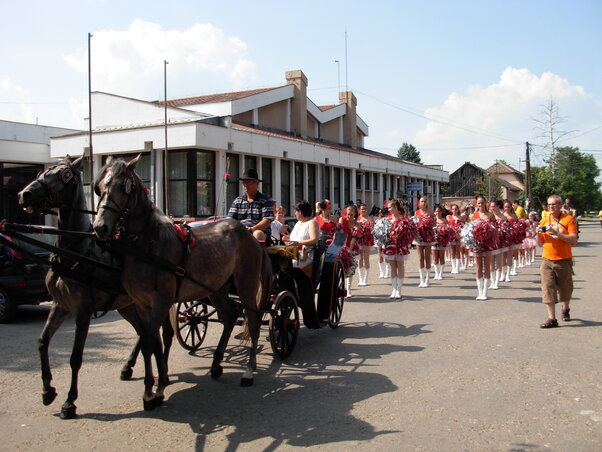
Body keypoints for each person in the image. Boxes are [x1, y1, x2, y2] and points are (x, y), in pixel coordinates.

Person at [536, 194, 578, 328]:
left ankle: (565, 308)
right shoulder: (544, 220)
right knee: (547, 288)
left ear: (560, 205)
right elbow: (540, 243)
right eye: (549, 205)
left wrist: (558, 234)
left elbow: (574, 239)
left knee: (565, 288)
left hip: (563, 259)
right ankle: (552, 318)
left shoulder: (569, 219)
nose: (551, 207)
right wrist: (537, 233)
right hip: (547, 258)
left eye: (553, 204)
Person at [227, 168, 273, 241]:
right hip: (240, 234)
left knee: (257, 233)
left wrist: (251, 230)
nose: (245, 185)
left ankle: (259, 252)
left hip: (259, 234)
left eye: (248, 182)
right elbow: (230, 221)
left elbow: (267, 221)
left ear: (257, 183)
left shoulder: (265, 200)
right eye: (244, 182)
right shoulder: (237, 201)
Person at [283, 200, 320, 275]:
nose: (295, 213)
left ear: (300, 212)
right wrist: (288, 239)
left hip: (306, 256)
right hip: (294, 255)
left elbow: (314, 240)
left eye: (296, 211)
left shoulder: (312, 222)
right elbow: (293, 239)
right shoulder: (298, 223)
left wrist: (298, 243)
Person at [414, 195, 435, 288]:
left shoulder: (430, 212)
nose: (424, 203)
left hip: (428, 236)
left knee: (427, 257)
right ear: (419, 203)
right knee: (420, 257)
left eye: (425, 201)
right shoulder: (417, 212)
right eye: (422, 201)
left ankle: (427, 279)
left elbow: (434, 224)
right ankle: (421, 279)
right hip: (419, 237)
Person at [356, 204, 375, 286]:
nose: (363, 210)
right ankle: (361, 278)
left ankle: (365, 279)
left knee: (366, 259)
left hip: (367, 241)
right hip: (358, 240)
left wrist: (366, 231)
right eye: (362, 209)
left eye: (365, 209)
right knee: (359, 259)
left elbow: (372, 229)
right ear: (359, 210)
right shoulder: (356, 219)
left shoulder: (369, 219)